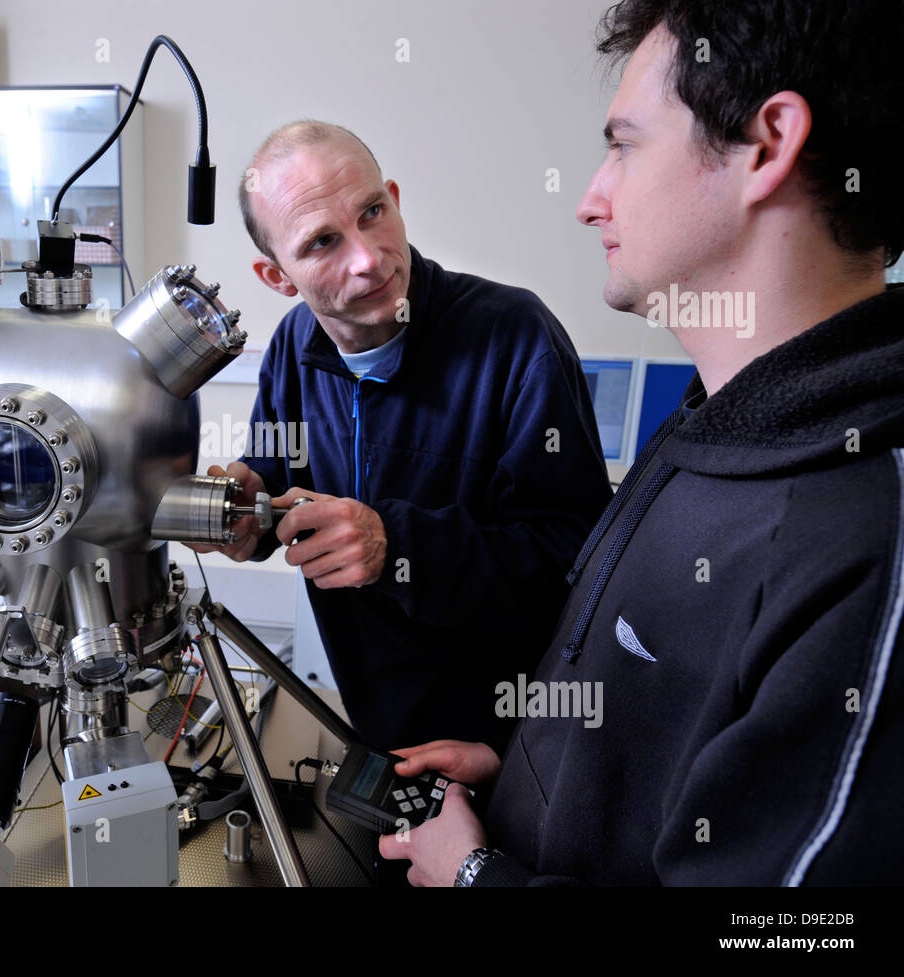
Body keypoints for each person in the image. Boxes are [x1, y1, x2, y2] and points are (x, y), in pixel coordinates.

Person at [381, 0, 904, 885]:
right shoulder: (712, 418)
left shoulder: (867, 536)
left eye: (624, 144)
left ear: (768, 144)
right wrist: (523, 789)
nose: (591, 199)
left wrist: (478, 878)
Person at [190, 121, 613, 753]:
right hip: (373, 719)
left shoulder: (516, 338)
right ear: (278, 276)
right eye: (322, 242)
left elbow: (579, 561)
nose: (367, 259)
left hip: (510, 742)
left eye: (372, 212)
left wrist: (395, 545)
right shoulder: (292, 346)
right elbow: (279, 475)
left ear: (393, 196)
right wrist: (250, 505)